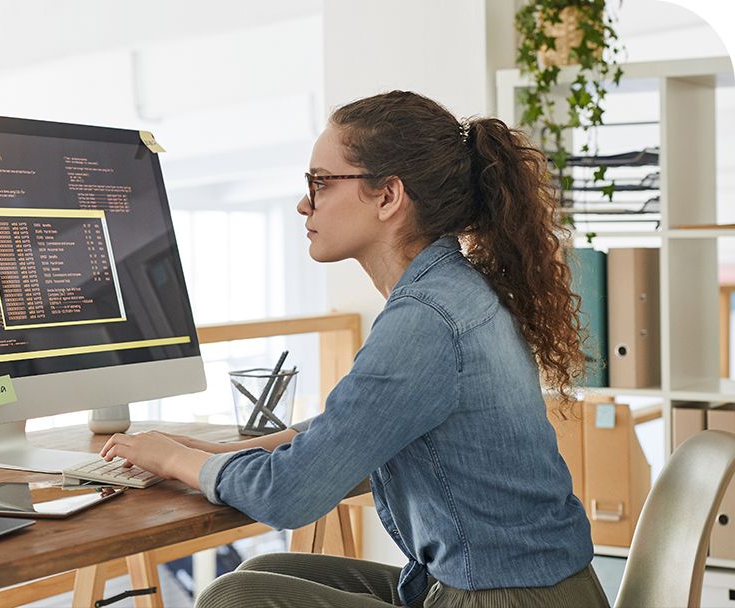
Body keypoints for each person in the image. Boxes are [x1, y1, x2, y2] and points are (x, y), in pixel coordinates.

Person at [99, 90, 610, 608]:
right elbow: (353, 433)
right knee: (265, 570)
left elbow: (290, 494)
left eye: (319, 183)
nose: (304, 203)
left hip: (506, 599)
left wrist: (172, 457)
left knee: (238, 598)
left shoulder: (427, 319)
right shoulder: (446, 291)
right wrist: (220, 454)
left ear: (388, 196)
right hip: (520, 586)